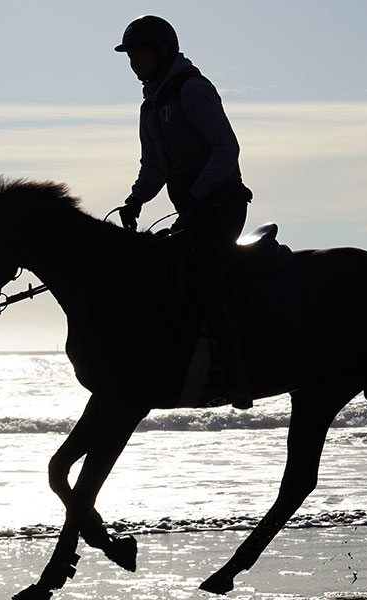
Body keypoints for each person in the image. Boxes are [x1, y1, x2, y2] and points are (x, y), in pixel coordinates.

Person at [114, 15, 255, 408]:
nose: (134, 63)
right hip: (194, 211)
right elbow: (154, 166)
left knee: (206, 288)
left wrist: (195, 194)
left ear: (162, 51)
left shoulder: (192, 90)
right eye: (130, 57)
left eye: (139, 54)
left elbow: (227, 149)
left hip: (223, 207)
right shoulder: (150, 106)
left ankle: (236, 379)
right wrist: (135, 199)